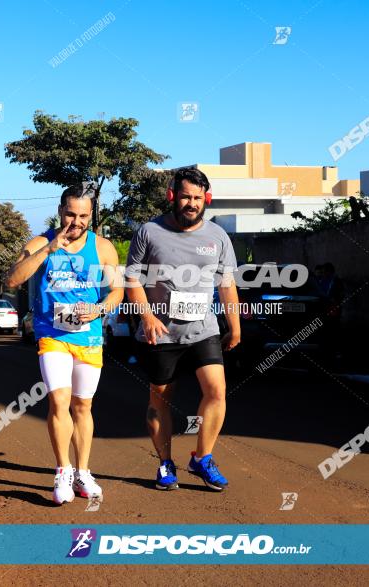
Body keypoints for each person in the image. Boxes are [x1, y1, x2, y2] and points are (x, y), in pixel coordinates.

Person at [4, 183, 123, 505]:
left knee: (83, 406)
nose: (76, 221)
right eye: (71, 214)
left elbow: (117, 291)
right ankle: (63, 471)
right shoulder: (42, 242)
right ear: (60, 211)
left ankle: (83, 472)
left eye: (83, 215)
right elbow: (13, 279)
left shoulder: (103, 248)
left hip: (89, 336)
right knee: (59, 401)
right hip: (52, 334)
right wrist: (49, 249)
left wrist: (98, 309)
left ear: (91, 215)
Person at [125, 167, 241, 491]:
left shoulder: (218, 236)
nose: (192, 203)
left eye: (198, 198)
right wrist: (147, 317)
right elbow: (131, 279)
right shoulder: (149, 232)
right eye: (186, 196)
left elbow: (226, 283)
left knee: (216, 391)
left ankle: (202, 458)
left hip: (203, 329)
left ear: (207, 199)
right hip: (160, 332)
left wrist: (234, 326)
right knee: (161, 399)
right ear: (172, 195)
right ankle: (164, 464)